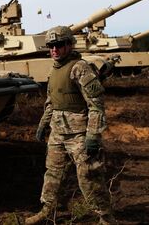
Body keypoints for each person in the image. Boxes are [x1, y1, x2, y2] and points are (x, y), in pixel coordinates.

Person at [26, 26, 115, 225]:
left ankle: (105, 217)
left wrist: (93, 134)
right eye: (51, 46)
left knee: (89, 176)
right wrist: (44, 123)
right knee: (52, 172)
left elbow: (96, 104)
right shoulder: (55, 68)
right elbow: (52, 100)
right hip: (58, 132)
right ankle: (48, 209)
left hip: (79, 134)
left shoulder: (79, 68)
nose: (54, 49)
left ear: (69, 45)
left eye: (58, 45)